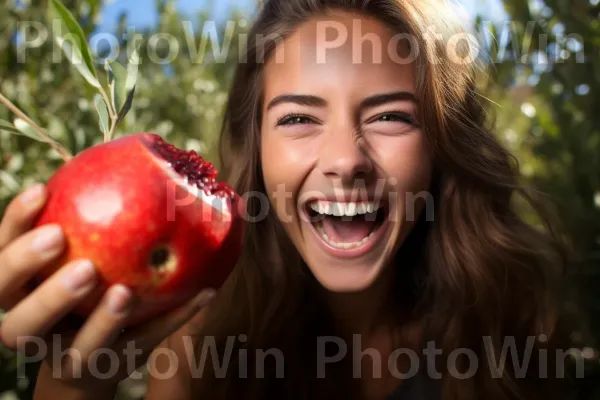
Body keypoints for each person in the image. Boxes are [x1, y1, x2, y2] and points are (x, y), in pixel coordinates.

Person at [0, 0, 585, 399]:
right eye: (299, 117)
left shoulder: (516, 330)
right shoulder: (197, 350)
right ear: (256, 149)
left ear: (440, 145)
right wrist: (72, 384)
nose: (345, 159)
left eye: (389, 116)